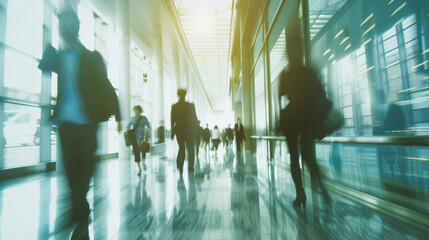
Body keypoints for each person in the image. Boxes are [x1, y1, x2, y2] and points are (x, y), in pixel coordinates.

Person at [38, 8, 121, 239]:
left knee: (84, 173)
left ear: (77, 28)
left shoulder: (92, 56)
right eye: (61, 25)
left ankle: (81, 215)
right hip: (66, 124)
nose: (64, 28)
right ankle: (80, 213)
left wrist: (119, 115)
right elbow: (44, 65)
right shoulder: (61, 57)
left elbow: (106, 86)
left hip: (86, 124)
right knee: (72, 175)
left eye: (68, 24)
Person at [278, 1, 331, 209]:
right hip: (304, 120)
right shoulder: (309, 72)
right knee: (307, 156)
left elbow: (282, 100)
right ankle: (316, 189)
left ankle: (302, 193)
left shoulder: (288, 74)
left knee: (296, 158)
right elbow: (321, 95)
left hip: (294, 121)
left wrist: (282, 120)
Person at [171, 89, 199, 175]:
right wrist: (196, 131)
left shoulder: (174, 106)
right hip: (189, 130)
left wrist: (172, 132)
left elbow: (172, 120)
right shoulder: (190, 105)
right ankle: (190, 167)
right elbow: (194, 119)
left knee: (181, 148)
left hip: (179, 130)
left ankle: (180, 166)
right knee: (191, 149)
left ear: (178, 95)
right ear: (185, 95)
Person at [127, 105, 151, 175]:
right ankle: (139, 168)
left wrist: (147, 131)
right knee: (136, 153)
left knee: (143, 151)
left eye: (137, 110)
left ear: (140, 111)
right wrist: (128, 133)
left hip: (142, 138)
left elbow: (149, 127)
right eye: (134, 109)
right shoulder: (132, 119)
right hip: (134, 139)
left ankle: (143, 162)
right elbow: (128, 127)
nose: (136, 111)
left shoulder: (144, 118)